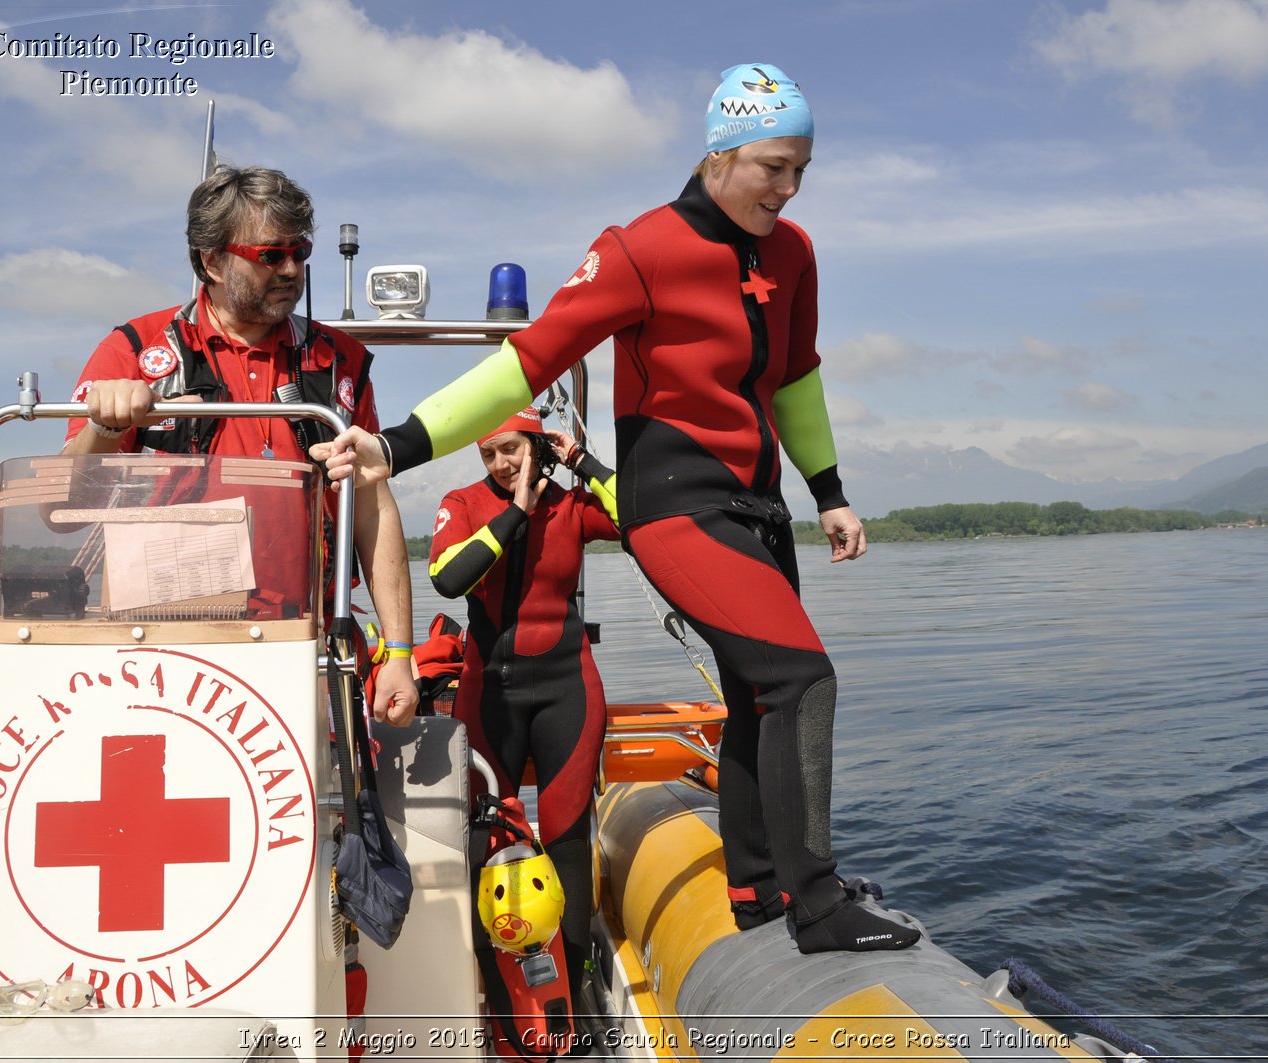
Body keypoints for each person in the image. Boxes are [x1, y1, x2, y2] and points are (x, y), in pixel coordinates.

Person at [313, 64, 918, 953]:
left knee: (760, 690)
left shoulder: (793, 254)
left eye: (802, 171)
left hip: (758, 506)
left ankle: (756, 885)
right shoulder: (641, 248)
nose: (788, 190)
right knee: (802, 679)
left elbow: (797, 376)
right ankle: (819, 903)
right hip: (673, 508)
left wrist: (828, 492)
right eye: (772, 168)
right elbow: (527, 361)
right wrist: (398, 442)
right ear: (720, 153)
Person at [64, 164, 418, 726]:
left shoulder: (340, 363)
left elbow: (372, 507)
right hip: (162, 656)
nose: (293, 269)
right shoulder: (134, 351)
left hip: (307, 644)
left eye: (301, 253)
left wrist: (400, 652)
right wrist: (105, 428)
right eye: (271, 255)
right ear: (212, 261)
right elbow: (61, 513)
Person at [428, 407, 619, 1001]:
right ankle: (495, 988)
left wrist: (582, 462)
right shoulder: (463, 504)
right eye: (489, 454)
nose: (500, 463)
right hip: (492, 693)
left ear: (536, 445)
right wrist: (516, 511)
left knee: (565, 835)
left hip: (568, 688)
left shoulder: (571, 505)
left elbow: (641, 515)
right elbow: (447, 577)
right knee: (489, 837)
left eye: (511, 449)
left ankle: (578, 982)